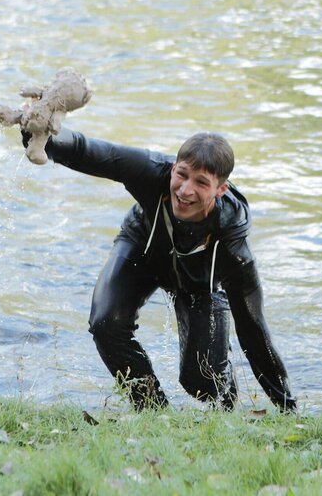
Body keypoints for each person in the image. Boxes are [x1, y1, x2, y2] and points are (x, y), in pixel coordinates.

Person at [21, 128, 296, 412]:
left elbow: (253, 329)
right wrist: (41, 137)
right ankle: (152, 410)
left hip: (198, 281)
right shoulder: (151, 172)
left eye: (201, 182)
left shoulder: (231, 242)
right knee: (106, 324)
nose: (185, 190)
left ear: (220, 190)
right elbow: (90, 151)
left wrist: (287, 406)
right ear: (173, 168)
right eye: (182, 174)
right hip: (143, 247)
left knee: (202, 383)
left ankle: (224, 395)